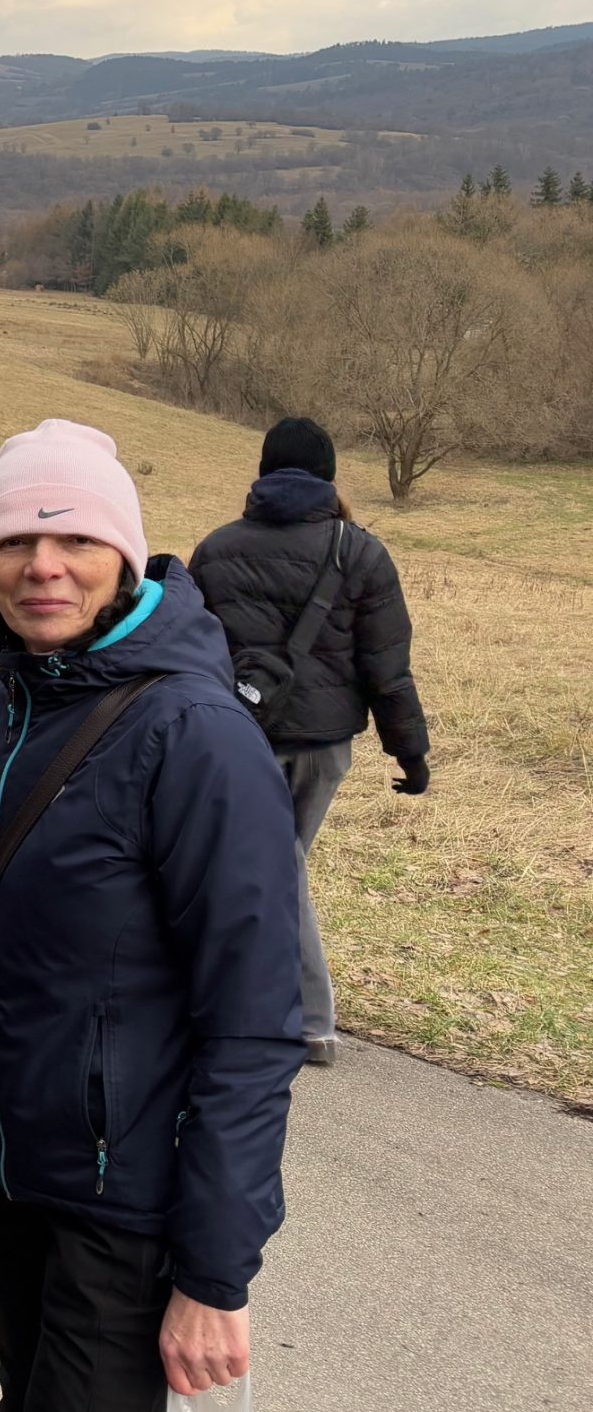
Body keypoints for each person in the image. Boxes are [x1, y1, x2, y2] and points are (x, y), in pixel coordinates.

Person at [0, 420, 301, 1412]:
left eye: (75, 540)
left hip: (128, 1205)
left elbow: (253, 1023)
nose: (43, 567)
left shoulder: (195, 735)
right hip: (22, 1179)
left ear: (124, 555)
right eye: (13, 542)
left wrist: (213, 1276)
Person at [190, 415, 431, 1067]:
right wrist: (410, 751)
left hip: (236, 735)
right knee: (277, 863)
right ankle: (307, 1021)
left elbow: (193, 652)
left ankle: (280, 1010)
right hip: (324, 747)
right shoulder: (363, 552)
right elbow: (387, 667)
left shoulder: (216, 549)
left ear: (264, 471)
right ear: (329, 475)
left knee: (268, 865)